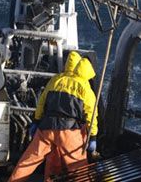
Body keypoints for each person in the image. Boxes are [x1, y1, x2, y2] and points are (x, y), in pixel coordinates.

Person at [8, 51, 98, 182]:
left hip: (46, 128)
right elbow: (91, 114)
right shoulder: (85, 87)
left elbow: (41, 102)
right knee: (78, 169)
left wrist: (36, 121)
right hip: (69, 132)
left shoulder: (56, 79)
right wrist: (93, 136)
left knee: (29, 161)